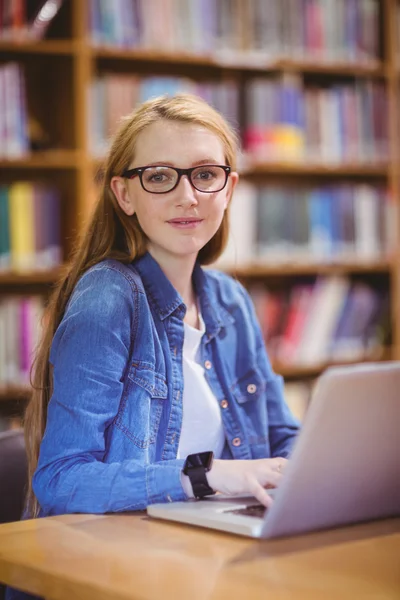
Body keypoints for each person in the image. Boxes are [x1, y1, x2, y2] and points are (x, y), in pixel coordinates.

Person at [6, 92, 300, 600]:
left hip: (209, 560)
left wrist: (313, 474)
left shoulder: (229, 300)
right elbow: (60, 481)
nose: (188, 196)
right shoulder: (107, 299)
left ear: (229, 188)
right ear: (125, 195)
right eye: (160, 177)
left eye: (205, 174)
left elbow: (282, 434)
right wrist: (207, 477)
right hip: (115, 572)